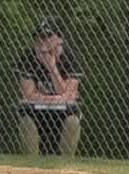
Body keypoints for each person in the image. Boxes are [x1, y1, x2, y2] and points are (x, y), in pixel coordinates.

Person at [16, 21, 81, 157]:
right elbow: (28, 95)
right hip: (34, 114)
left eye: (47, 37)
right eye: (39, 37)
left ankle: (65, 167)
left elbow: (69, 96)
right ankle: (31, 168)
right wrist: (56, 99)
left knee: (73, 122)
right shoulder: (28, 58)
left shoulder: (71, 58)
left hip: (64, 115)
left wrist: (52, 68)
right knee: (26, 123)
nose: (42, 41)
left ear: (59, 39)